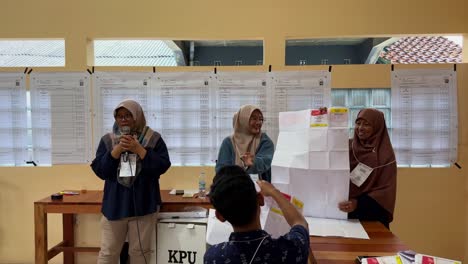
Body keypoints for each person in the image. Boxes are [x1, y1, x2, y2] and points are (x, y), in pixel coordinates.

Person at [91, 99, 171, 264]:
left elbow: (162, 166)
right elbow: (101, 170)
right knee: (108, 252)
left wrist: (140, 150)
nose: (124, 119)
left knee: (139, 252)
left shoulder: (153, 138)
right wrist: (116, 151)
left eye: (128, 115)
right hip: (115, 204)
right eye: (120, 116)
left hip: (144, 203)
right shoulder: (108, 140)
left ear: (138, 116)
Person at [204, 165, 310, 264]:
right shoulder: (290, 250)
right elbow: (300, 223)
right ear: (260, 199)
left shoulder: (213, 257)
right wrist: (274, 192)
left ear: (219, 216)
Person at [338, 108, 397, 229]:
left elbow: (385, 193)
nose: (360, 128)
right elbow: (325, 147)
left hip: (373, 218)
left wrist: (358, 204)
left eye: (367, 124)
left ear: (377, 127)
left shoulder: (385, 155)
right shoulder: (347, 147)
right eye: (358, 123)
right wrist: (324, 118)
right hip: (343, 215)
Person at [216, 104, 275, 182]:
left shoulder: (265, 141)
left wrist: (253, 162)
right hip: (231, 188)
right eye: (254, 118)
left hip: (259, 190)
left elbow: (266, 162)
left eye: (261, 119)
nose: (258, 122)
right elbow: (221, 170)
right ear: (243, 120)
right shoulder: (228, 142)